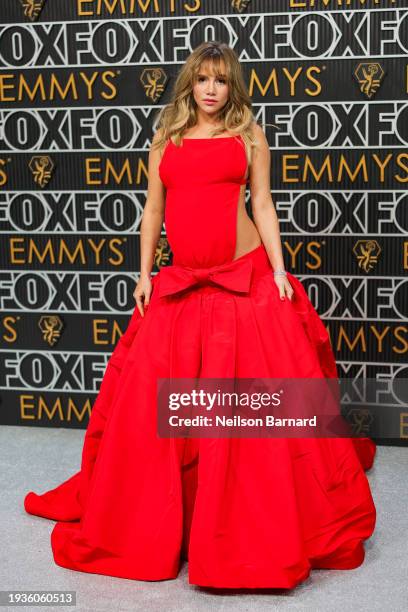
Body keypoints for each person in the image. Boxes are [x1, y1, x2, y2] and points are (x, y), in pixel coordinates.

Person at [24, 41, 376, 590]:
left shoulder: (249, 136)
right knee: (167, 415)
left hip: (246, 279)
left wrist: (280, 271)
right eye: (202, 80)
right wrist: (143, 275)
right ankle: (180, 517)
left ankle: (249, 523)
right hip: (183, 286)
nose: (211, 90)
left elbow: (262, 204)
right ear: (190, 84)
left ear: (233, 87)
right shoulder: (165, 141)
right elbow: (153, 211)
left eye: (221, 81)